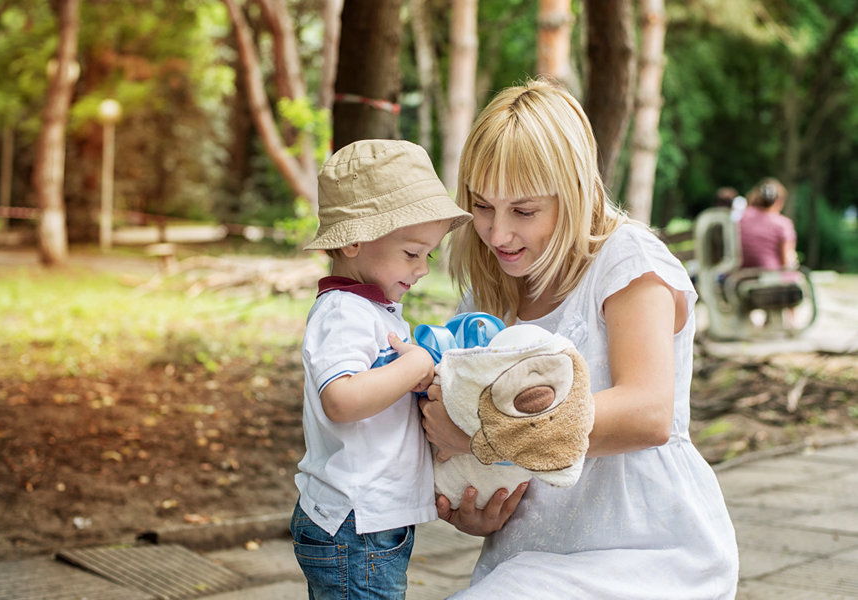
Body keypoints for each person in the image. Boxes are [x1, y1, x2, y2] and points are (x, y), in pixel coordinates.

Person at [418, 78, 739, 598]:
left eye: (523, 211)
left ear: (572, 194)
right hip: (529, 555)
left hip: (649, 549)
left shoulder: (629, 261)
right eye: (481, 206)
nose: (498, 234)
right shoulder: (487, 296)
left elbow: (648, 414)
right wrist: (475, 510)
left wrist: (485, 435)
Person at [291, 138, 472, 599]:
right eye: (412, 253)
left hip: (371, 524)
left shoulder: (373, 309)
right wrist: (415, 364)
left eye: (428, 255)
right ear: (353, 239)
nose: (423, 268)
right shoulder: (343, 312)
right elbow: (343, 399)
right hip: (355, 527)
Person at [738, 177, 798, 269]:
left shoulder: (740, 218)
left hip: (741, 277)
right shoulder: (783, 224)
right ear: (779, 202)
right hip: (771, 278)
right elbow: (786, 262)